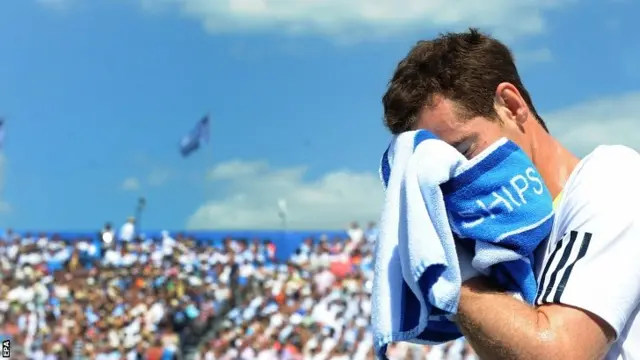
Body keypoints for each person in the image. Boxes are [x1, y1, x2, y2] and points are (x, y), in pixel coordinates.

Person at [381, 28, 640, 359]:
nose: (454, 181)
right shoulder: (502, 252)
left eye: (463, 150)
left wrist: (447, 272)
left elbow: (559, 353)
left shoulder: (613, 177)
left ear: (512, 106)